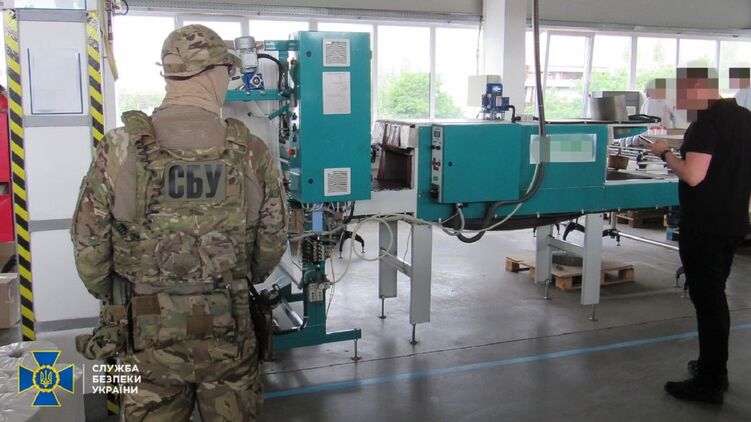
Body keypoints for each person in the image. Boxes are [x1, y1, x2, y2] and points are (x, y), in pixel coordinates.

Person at [71, 24, 287, 420]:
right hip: (229, 330)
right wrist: (244, 274)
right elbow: (272, 238)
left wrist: (113, 293)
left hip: (145, 339)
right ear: (214, 72)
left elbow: (89, 245)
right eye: (228, 71)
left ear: (170, 74)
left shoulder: (120, 148)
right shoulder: (250, 150)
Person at [644, 67, 751, 405]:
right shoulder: (745, 118)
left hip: (704, 226)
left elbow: (693, 175)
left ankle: (710, 382)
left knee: (708, 303)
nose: (679, 103)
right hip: (733, 221)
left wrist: (664, 152)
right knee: (714, 297)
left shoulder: (706, 123)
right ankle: (712, 367)